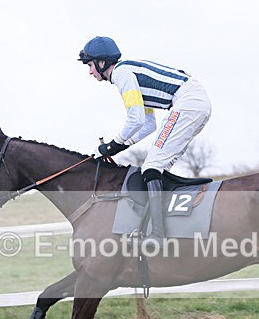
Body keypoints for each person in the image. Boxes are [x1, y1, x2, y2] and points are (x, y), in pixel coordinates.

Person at [78, 36, 212, 243]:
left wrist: (112, 145)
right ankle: (169, 221)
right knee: (156, 167)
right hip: (193, 103)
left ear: (101, 62)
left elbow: (135, 118)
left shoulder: (122, 74)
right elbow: (148, 123)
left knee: (151, 166)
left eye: (90, 65)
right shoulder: (128, 73)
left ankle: (157, 234)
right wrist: (121, 146)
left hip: (187, 103)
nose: (89, 72)